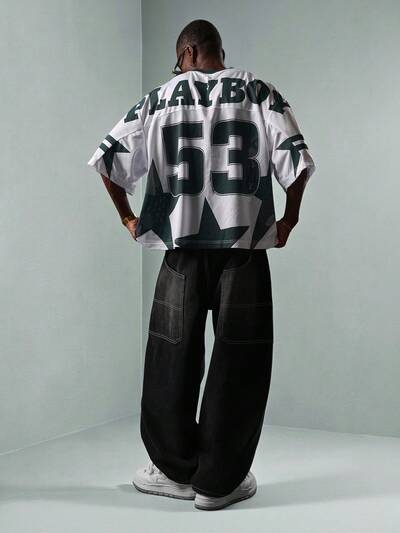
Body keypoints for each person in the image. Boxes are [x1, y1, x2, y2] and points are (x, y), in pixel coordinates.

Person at [87, 19, 316, 511]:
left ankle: (175, 472)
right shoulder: (257, 90)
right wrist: (289, 219)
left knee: (170, 358)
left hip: (182, 250)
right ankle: (219, 482)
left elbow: (108, 160)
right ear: (217, 50)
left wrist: (127, 216)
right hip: (244, 248)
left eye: (179, 60)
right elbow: (297, 162)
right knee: (241, 361)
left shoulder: (158, 99)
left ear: (188, 52)